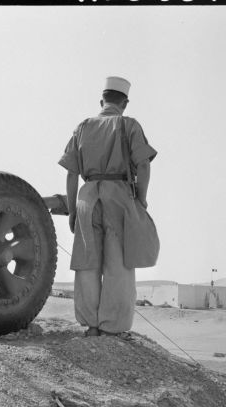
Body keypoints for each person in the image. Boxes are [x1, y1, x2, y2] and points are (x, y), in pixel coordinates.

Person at [58, 76, 157, 337]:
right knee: (119, 263)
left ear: (102, 100)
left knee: (87, 263)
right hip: (119, 198)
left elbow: (70, 174)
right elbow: (144, 165)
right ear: (124, 103)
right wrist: (141, 200)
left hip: (87, 198)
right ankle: (112, 327)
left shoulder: (82, 127)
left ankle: (91, 325)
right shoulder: (129, 124)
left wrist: (71, 210)